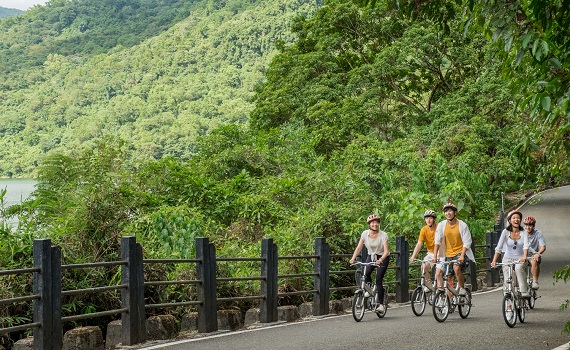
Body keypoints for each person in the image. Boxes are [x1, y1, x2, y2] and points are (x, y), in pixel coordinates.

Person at [349, 214, 391, 314]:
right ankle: (370, 289)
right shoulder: (365, 234)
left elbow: (386, 251)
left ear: (378, 224)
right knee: (365, 273)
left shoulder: (383, 235)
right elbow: (359, 247)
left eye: (376, 222)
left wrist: (380, 259)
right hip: (371, 256)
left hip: (382, 257)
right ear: (369, 224)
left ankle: (381, 305)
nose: (375, 224)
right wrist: (353, 258)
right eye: (372, 223)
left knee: (378, 279)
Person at [432, 202, 475, 296]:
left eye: (450, 211)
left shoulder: (462, 225)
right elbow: (437, 241)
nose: (448, 213)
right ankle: (449, 301)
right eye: (446, 211)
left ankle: (462, 288)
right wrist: (435, 256)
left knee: (456, 268)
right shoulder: (441, 225)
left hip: (460, 253)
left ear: (455, 212)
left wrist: (462, 255)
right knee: (448, 278)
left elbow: (467, 242)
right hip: (447, 254)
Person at [490, 209, 530, 297]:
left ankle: (523, 291)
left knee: (519, 269)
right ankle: (508, 301)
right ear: (509, 220)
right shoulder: (505, 232)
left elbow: (526, 246)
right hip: (507, 258)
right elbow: (499, 248)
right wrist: (494, 261)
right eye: (514, 218)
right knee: (507, 279)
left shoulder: (524, 232)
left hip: (520, 258)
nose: (516, 220)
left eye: (518, 218)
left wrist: (524, 256)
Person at [409, 209, 438, 292]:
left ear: (434, 219)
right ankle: (429, 285)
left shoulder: (438, 228)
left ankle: (440, 292)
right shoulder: (424, 230)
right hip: (431, 253)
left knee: (439, 274)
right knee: (423, 266)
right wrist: (413, 256)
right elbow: (419, 244)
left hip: (441, 252)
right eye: (427, 218)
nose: (428, 220)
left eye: (430, 218)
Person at [523, 216, 546, 289]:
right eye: (526, 225)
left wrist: (538, 253)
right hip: (523, 254)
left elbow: (543, 246)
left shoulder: (538, 233)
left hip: (533, 254)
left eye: (530, 225)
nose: (528, 227)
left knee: (534, 261)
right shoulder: (521, 232)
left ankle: (535, 281)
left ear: (533, 226)